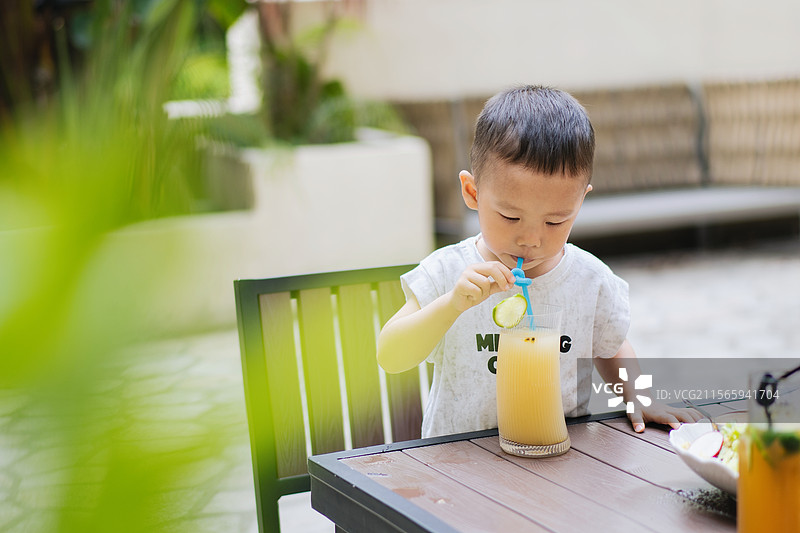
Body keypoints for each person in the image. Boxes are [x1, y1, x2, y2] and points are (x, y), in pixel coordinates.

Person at [376, 85, 702, 438]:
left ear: (580, 202)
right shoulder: (448, 273)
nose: (531, 239)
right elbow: (391, 356)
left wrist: (638, 396)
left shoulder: (589, 280)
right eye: (510, 217)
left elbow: (611, 345)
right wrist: (451, 305)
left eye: (555, 221)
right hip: (459, 463)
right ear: (473, 193)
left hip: (555, 457)